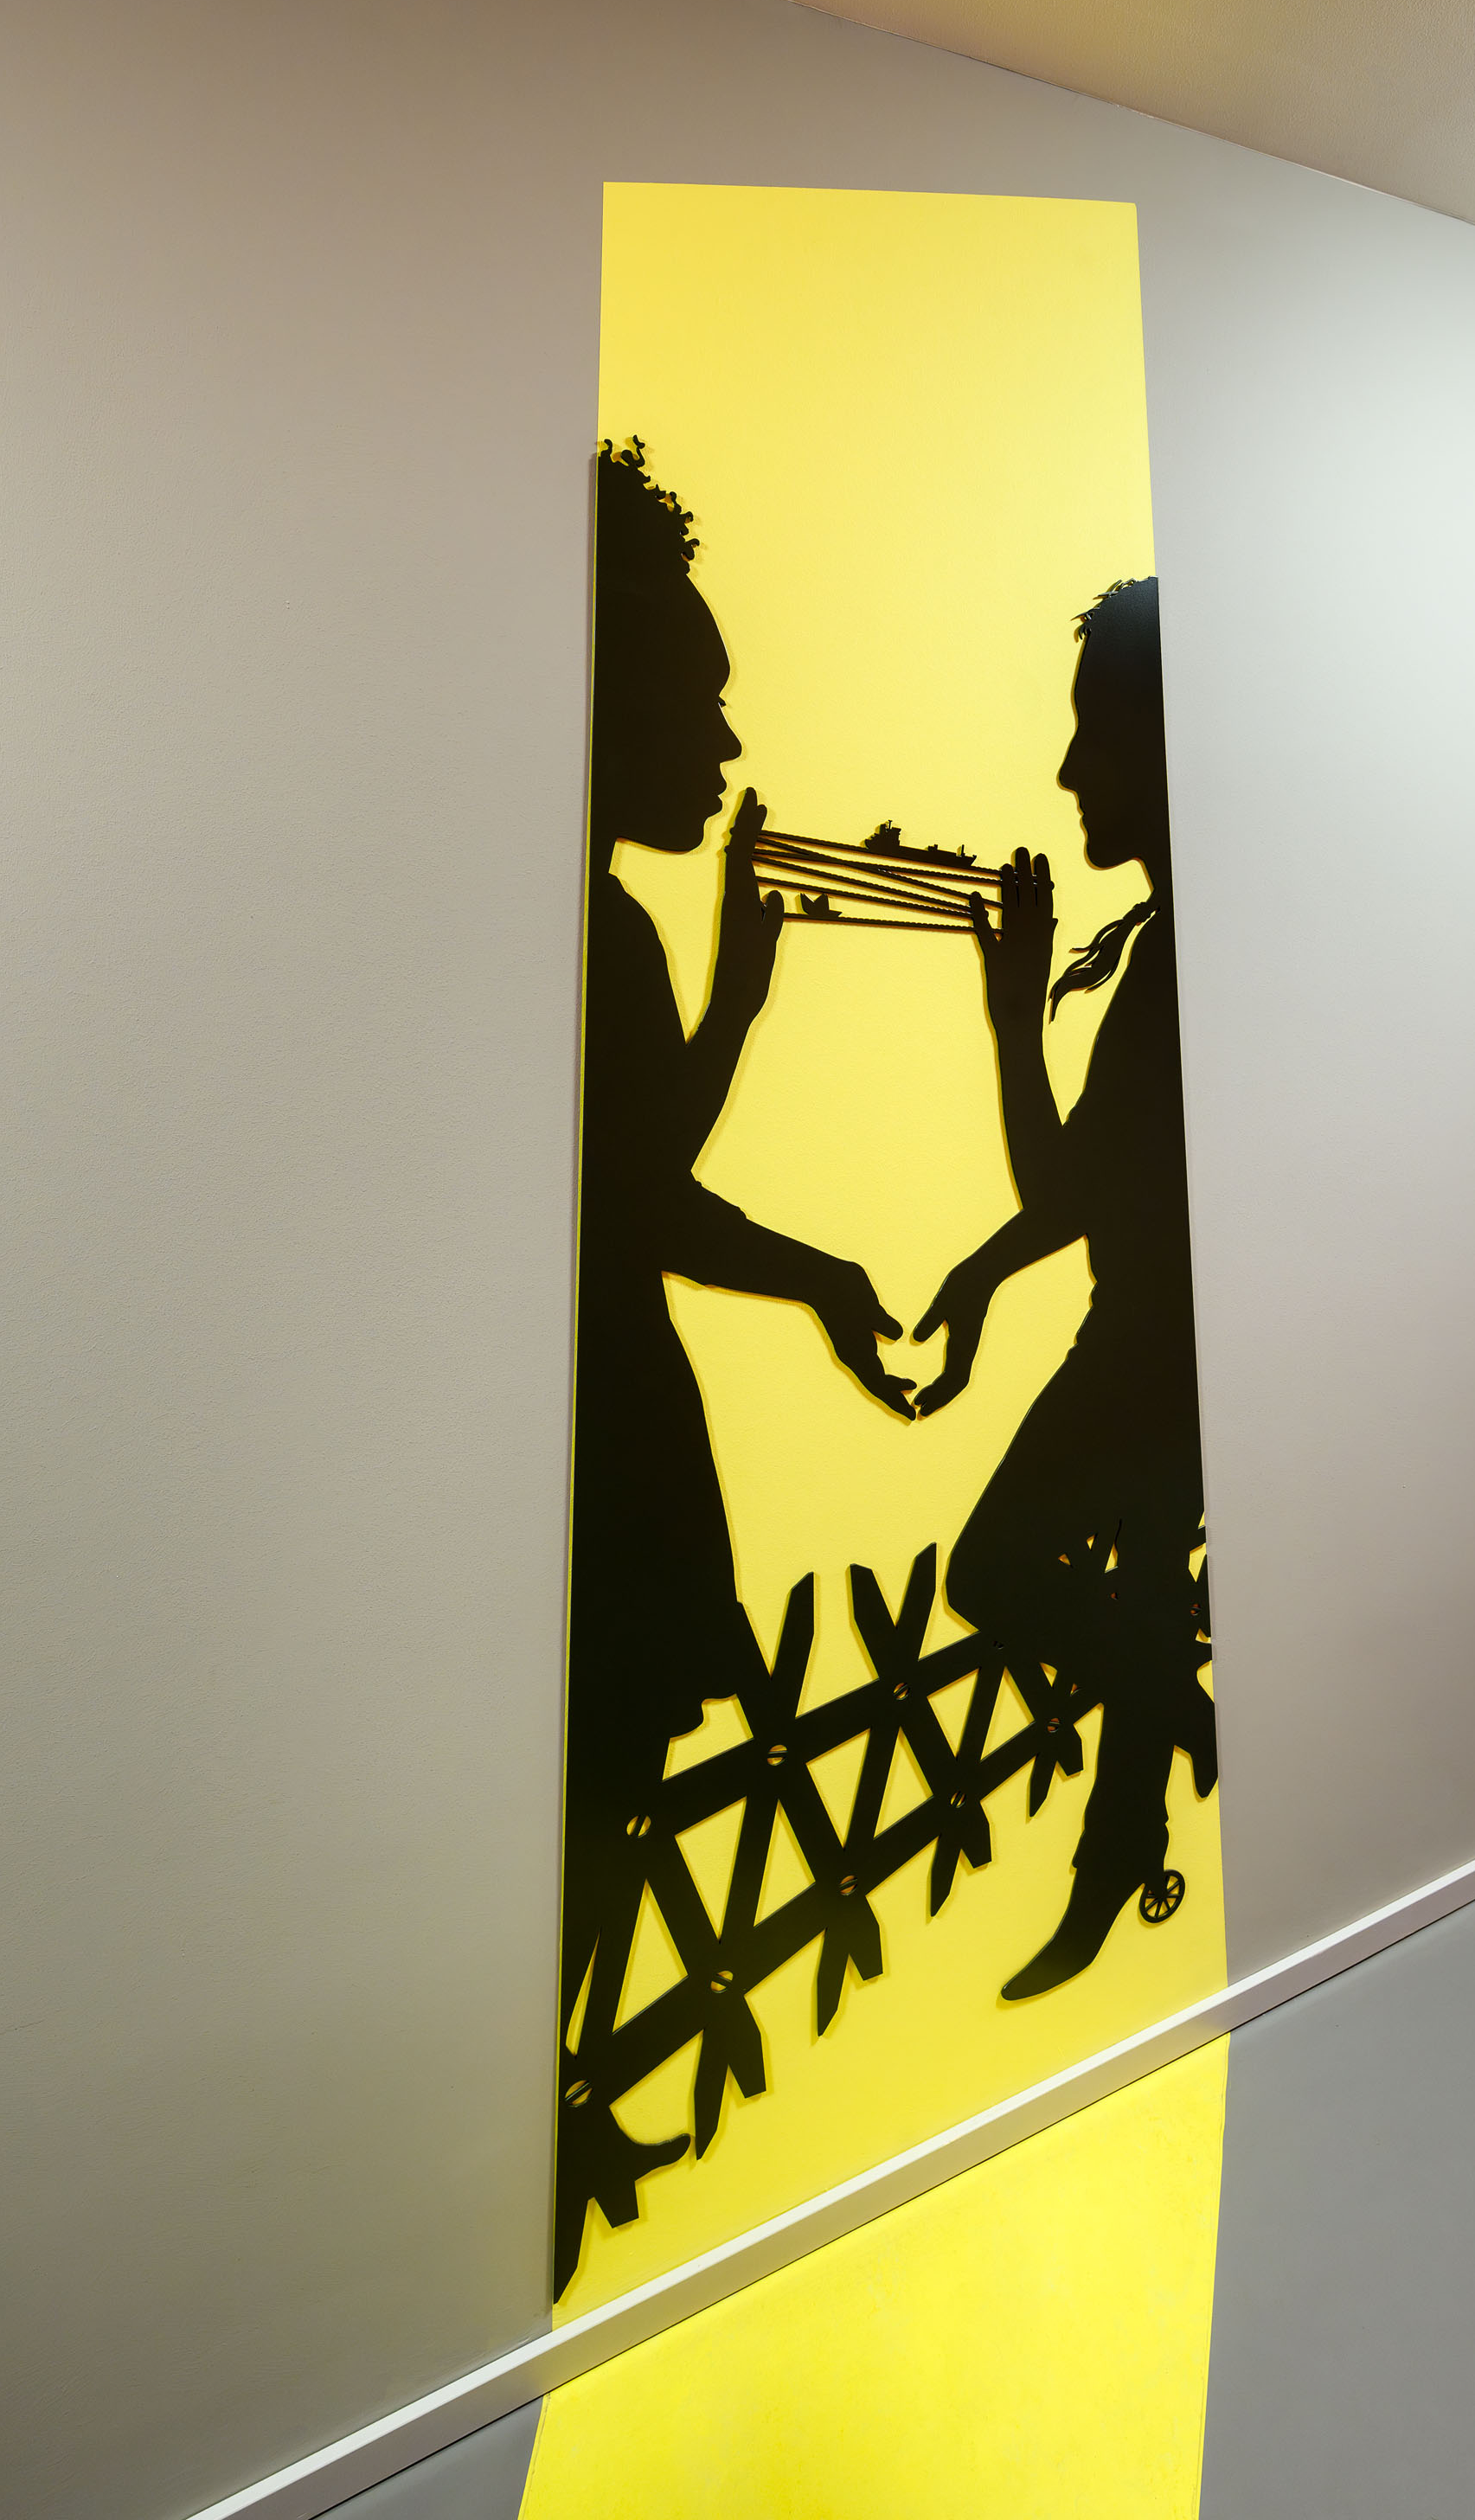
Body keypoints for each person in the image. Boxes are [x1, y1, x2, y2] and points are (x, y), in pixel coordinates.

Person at [558, 441, 914, 2271]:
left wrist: (820, 1271)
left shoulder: (583, 923)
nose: (720, 744)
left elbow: (635, 1181)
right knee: (597, 1782)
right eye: (692, 700)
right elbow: (643, 1197)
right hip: (611, 1440)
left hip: (612, 1424)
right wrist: (746, 1000)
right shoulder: (594, 930)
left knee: (593, 1787)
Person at [913, 575, 1216, 2000]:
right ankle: (1117, 1861)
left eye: (1097, 732)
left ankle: (1174, 1733)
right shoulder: (1175, 948)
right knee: (1143, 1586)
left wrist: (1008, 1010)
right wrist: (980, 1275)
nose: (1069, 770)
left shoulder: (1177, 960)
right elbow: (1086, 1187)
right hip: (1156, 1343)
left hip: (1148, 1349)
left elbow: (1068, 1186)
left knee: (995, 1570)